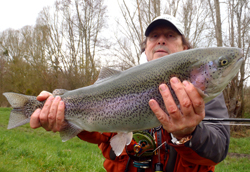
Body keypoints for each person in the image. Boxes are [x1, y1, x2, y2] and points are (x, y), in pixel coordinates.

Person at [30, 14, 230, 172]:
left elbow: (218, 149)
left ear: (185, 47)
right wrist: (63, 116)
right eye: (154, 36)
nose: (161, 40)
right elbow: (102, 132)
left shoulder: (201, 93)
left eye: (170, 35)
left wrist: (189, 134)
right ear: (146, 47)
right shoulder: (121, 84)